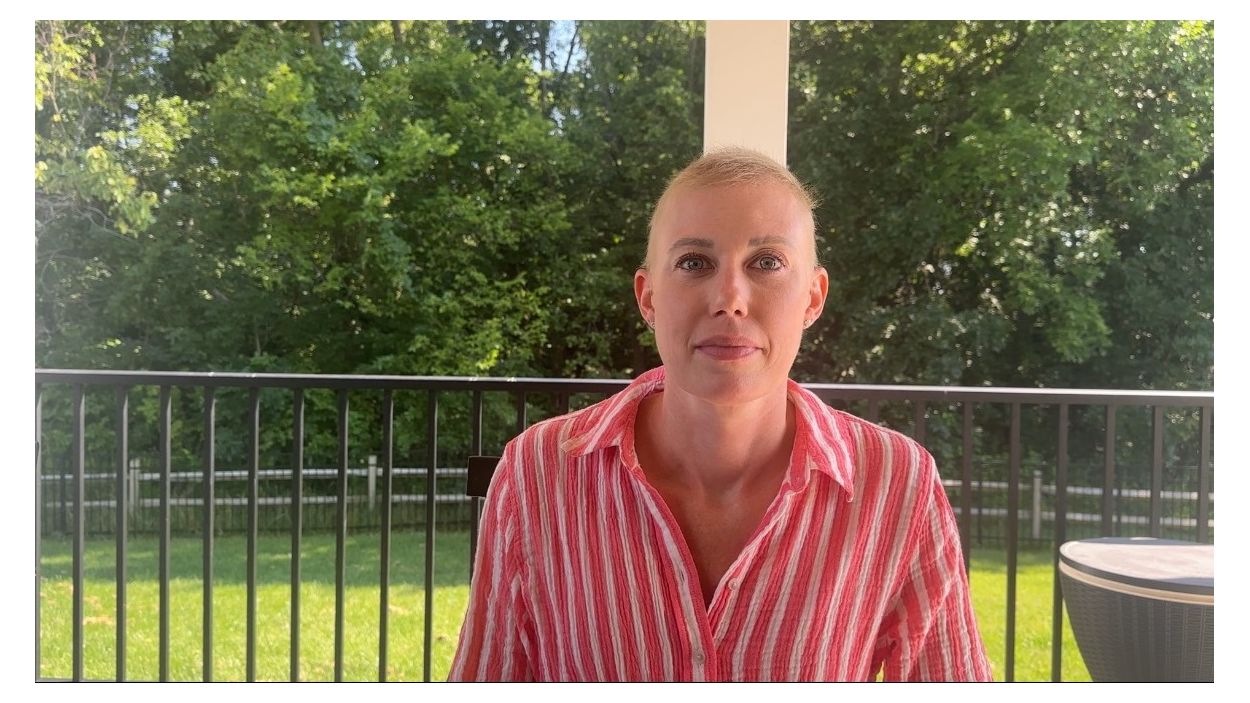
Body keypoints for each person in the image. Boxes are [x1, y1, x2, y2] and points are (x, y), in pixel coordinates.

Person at [448, 147, 992, 682]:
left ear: (812, 297)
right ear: (648, 297)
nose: (730, 298)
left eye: (767, 262)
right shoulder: (537, 473)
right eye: (694, 263)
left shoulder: (898, 483)